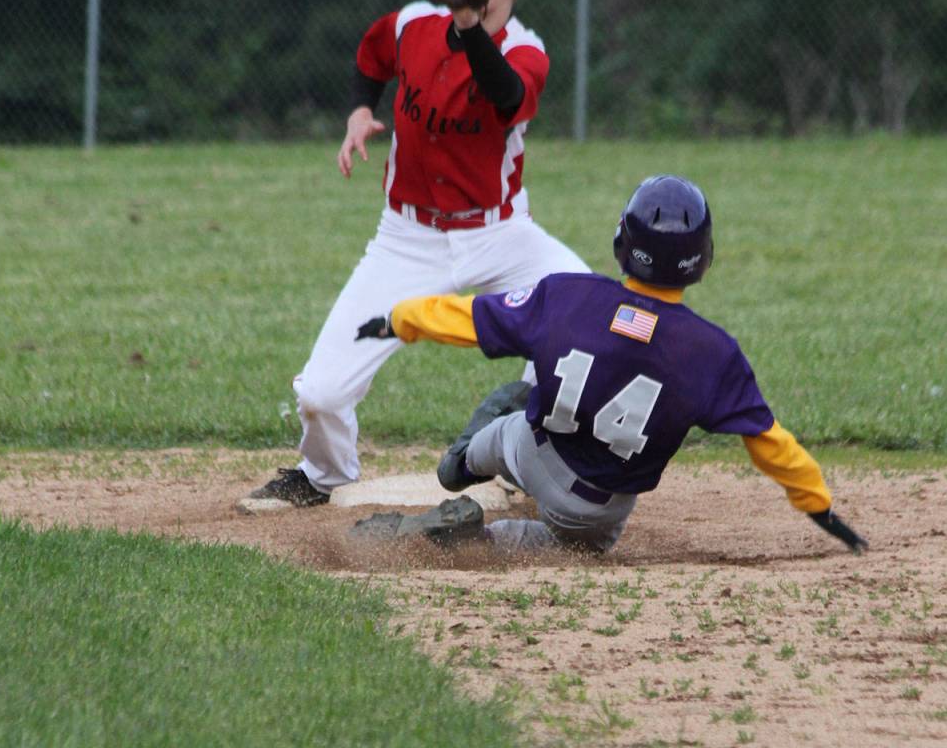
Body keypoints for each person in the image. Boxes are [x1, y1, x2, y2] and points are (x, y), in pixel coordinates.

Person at [246, 0, 589, 509]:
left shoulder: (526, 50)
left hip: (502, 237)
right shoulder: (413, 23)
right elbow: (371, 56)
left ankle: (530, 456)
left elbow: (505, 94)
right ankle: (322, 475)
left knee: (586, 318)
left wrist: (466, 24)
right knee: (320, 394)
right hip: (405, 240)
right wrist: (358, 110)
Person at [353, 175, 869, 555]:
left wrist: (399, 320)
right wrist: (818, 506)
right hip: (599, 511)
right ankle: (474, 543)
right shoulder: (712, 353)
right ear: (703, 258)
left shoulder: (567, 295)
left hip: (533, 452)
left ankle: (462, 465)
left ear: (623, 242)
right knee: (562, 550)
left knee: (511, 415)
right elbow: (769, 443)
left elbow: (466, 319)